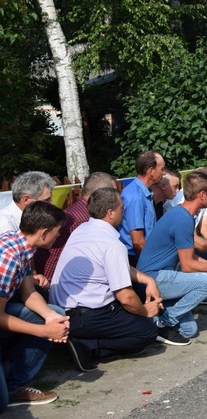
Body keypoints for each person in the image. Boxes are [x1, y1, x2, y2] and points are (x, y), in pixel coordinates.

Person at [49, 188, 161, 372]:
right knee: (147, 331)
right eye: (122, 209)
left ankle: (80, 340)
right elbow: (126, 298)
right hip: (88, 314)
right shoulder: (112, 244)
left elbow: (116, 266)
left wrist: (147, 280)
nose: (123, 213)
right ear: (110, 213)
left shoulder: (82, 229)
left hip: (62, 309)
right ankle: (89, 347)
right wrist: (145, 312)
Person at [137, 171, 207, 344]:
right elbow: (187, 265)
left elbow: (190, 257)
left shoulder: (182, 214)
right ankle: (164, 323)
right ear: (201, 195)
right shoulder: (183, 219)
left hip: (160, 275)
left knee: (189, 330)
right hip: (152, 280)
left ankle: (155, 318)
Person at [0, 201, 68, 411]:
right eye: (57, 233)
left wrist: (50, 318)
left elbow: (28, 292)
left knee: (55, 313)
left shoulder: (20, 245)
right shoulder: (9, 257)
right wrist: (44, 330)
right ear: (44, 232)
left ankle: (16, 385)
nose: (58, 237)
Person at [35, 172, 117, 281]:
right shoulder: (83, 220)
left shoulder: (78, 211)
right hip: (56, 281)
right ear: (101, 194)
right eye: (114, 191)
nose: (118, 195)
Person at [119, 150, 165, 266]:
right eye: (162, 169)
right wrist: (155, 264)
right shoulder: (135, 196)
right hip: (136, 259)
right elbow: (138, 242)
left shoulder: (143, 193)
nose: (164, 173)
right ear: (151, 171)